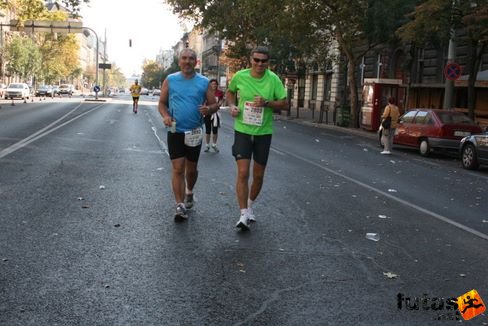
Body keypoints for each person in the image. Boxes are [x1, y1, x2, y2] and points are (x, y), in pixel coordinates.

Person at [226, 46, 288, 230]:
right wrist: (232, 106)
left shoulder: (273, 79)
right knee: (243, 172)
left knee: (258, 176)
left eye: (264, 61)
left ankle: (250, 204)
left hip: (263, 132)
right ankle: (243, 213)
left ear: (268, 62)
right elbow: (230, 92)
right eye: (257, 60)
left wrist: (267, 103)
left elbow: (285, 104)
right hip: (243, 130)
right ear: (251, 60)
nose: (260, 64)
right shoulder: (240, 76)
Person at [158, 48, 219, 220]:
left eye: (191, 59)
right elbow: (162, 103)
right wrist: (166, 116)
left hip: (194, 132)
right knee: (178, 169)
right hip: (175, 130)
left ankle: (189, 190)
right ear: (179, 61)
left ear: (196, 62)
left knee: (191, 170)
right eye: (184, 58)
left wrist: (208, 109)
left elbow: (214, 105)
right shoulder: (170, 80)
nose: (187, 61)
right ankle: (179, 204)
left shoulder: (203, 81)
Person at [203, 79, 224, 152]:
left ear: (217, 85)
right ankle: (207, 145)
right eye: (212, 84)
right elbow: (204, 101)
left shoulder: (219, 93)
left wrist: (219, 104)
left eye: (215, 84)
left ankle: (214, 145)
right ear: (210, 85)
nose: (213, 85)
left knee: (215, 130)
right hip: (208, 113)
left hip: (215, 114)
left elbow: (222, 100)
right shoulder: (207, 93)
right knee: (208, 130)